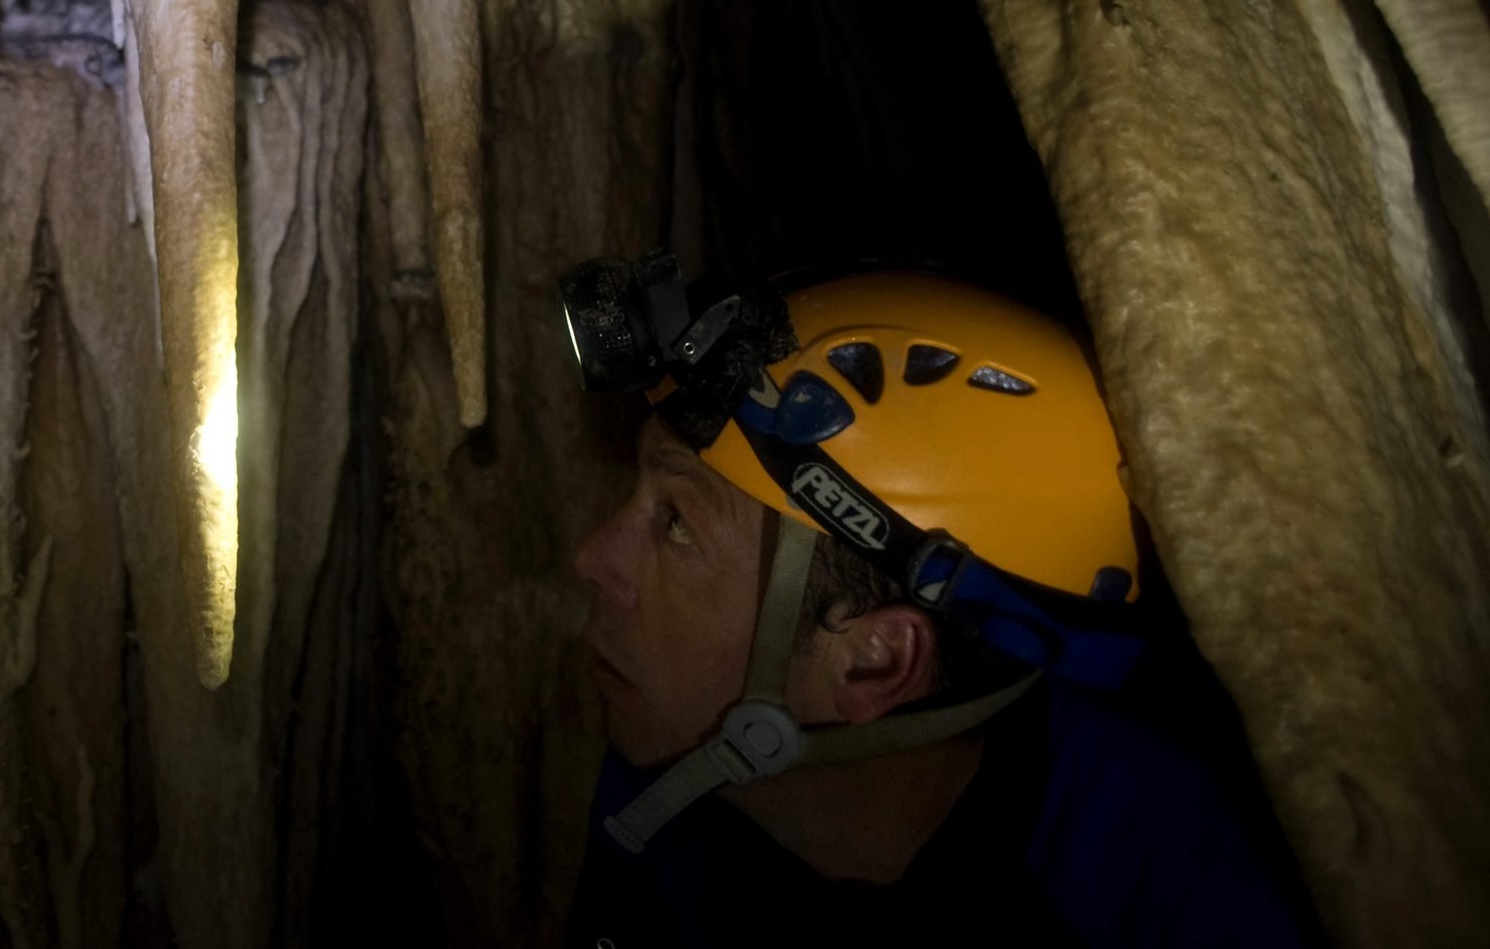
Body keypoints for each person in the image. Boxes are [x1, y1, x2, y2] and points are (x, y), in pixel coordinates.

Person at [556, 260, 1313, 947]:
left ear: (876, 661)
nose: (594, 559)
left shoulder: (1168, 892)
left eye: (677, 524)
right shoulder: (663, 793)